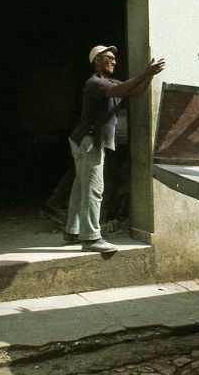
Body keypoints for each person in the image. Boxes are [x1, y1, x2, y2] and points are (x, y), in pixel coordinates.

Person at [65, 45, 166, 252]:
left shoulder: (111, 83)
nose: (113, 61)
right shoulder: (95, 83)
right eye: (108, 58)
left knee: (81, 186)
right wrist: (146, 72)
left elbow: (135, 91)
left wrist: (150, 75)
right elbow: (119, 90)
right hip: (89, 141)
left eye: (114, 58)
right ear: (97, 61)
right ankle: (91, 239)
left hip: (84, 140)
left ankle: (72, 231)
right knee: (93, 190)